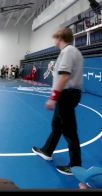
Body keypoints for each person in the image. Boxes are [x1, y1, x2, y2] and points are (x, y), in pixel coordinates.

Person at [32, 28, 84, 175]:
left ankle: (75, 166)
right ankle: (47, 150)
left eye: (55, 38)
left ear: (60, 38)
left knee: (69, 131)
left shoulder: (67, 52)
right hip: (71, 94)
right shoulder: (76, 52)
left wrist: (54, 97)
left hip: (66, 94)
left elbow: (64, 76)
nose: (54, 41)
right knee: (57, 125)